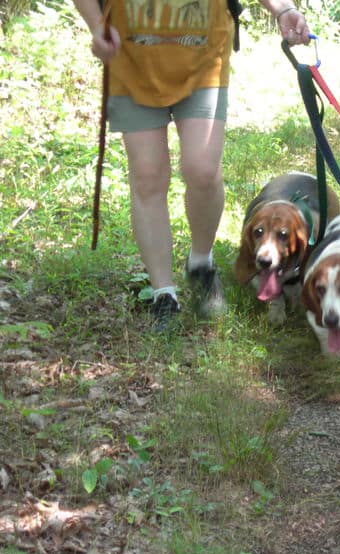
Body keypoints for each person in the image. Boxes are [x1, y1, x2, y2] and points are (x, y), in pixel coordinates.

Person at [72, 0, 311, 331]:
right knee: (147, 176)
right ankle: (163, 295)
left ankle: (201, 262)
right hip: (130, 58)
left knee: (202, 170)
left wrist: (283, 10)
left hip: (204, 57)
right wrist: (98, 26)